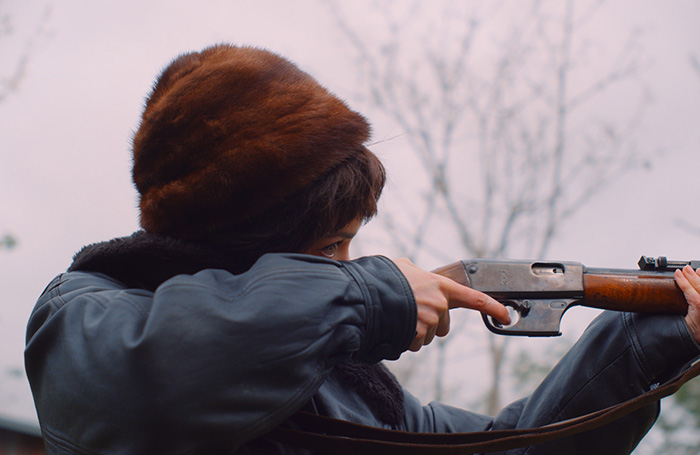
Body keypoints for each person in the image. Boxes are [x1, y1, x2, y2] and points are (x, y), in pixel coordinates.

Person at [24, 44, 700, 455]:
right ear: (244, 241)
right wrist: (375, 295)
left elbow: (513, 447)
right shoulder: (85, 315)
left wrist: (648, 342)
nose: (347, 265)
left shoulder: (350, 384)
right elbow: (144, 391)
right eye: (333, 245)